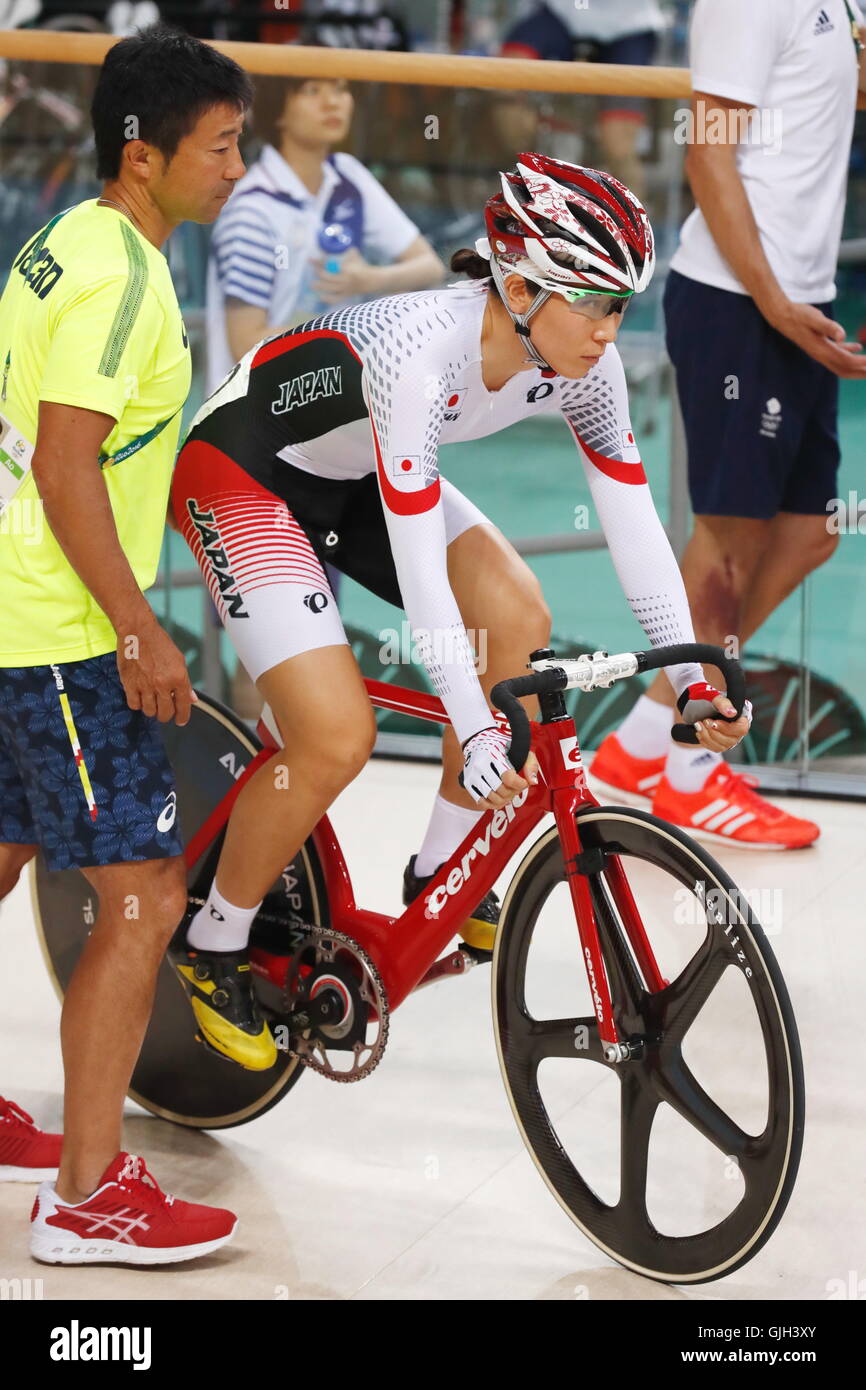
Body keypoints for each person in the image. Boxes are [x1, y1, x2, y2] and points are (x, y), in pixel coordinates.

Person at [168, 153, 752, 1070]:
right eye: (593, 301)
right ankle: (212, 939)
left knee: (518, 617)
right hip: (247, 475)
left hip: (355, 469)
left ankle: (437, 873)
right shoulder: (419, 353)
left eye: (621, 304)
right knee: (334, 738)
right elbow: (418, 566)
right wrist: (476, 726)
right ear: (518, 286)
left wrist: (689, 675)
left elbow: (634, 524)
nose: (611, 329)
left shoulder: (582, 365)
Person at [0, 24, 252, 1263]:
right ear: (143, 155)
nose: (238, 168)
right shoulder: (125, 277)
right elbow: (65, 464)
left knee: (0, 854)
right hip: (59, 631)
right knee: (144, 896)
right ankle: (87, 1197)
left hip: (11, 609)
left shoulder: (61, 241)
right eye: (221, 145)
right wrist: (136, 626)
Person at [592, 0, 866, 849]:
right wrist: (778, 305)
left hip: (797, 300)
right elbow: (709, 158)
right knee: (728, 542)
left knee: (811, 530)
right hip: (740, 302)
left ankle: (640, 744)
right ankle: (692, 768)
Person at [205, 75, 445, 393]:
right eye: (312, 91)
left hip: (329, 396)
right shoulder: (253, 208)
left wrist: (367, 280)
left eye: (340, 89)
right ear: (277, 111)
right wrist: (351, 333)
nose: (332, 102)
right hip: (258, 406)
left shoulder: (348, 177)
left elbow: (431, 267)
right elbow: (246, 343)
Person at [500, 0, 665, 201]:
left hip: (628, 24)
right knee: (505, 76)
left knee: (619, 144)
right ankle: (525, 179)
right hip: (561, 11)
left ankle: (636, 224)